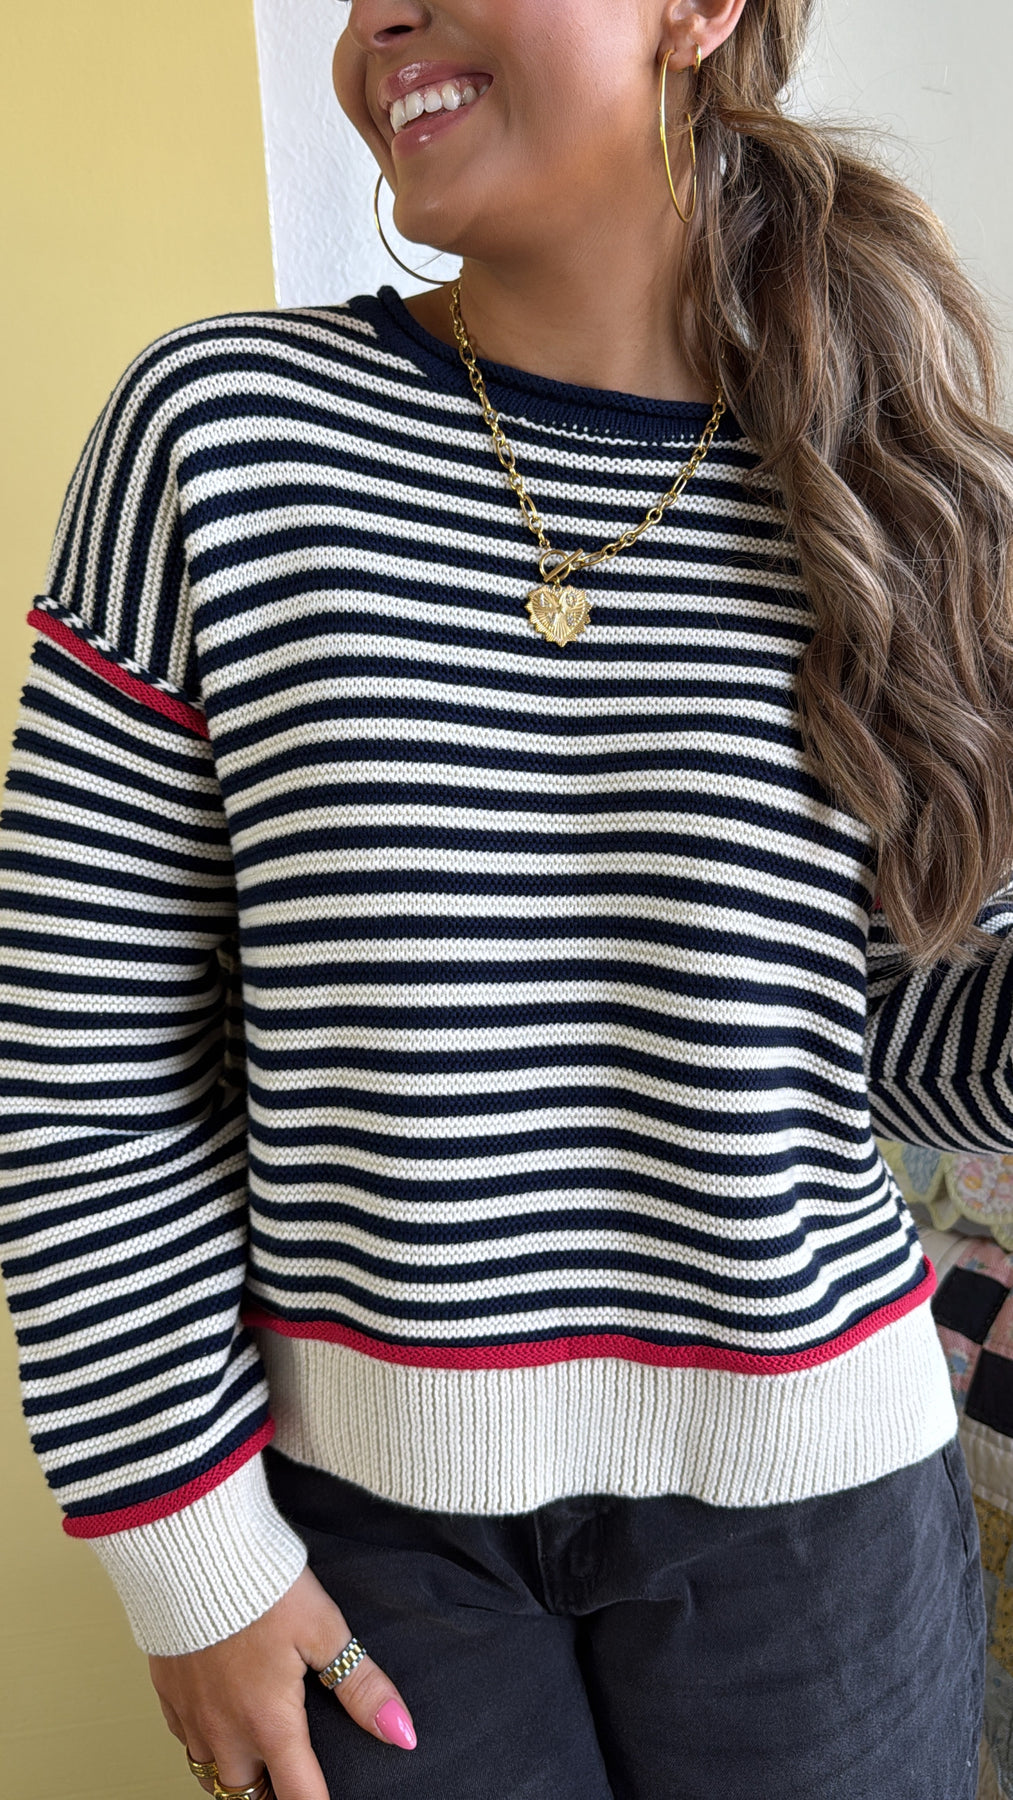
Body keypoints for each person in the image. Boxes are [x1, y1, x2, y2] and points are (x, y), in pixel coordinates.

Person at [0, 0, 1010, 1796]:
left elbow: (899, 1050)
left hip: (820, 1523)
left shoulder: (896, 470)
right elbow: (80, 1053)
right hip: (364, 1540)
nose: (378, 18)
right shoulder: (219, 436)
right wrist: (185, 1551)